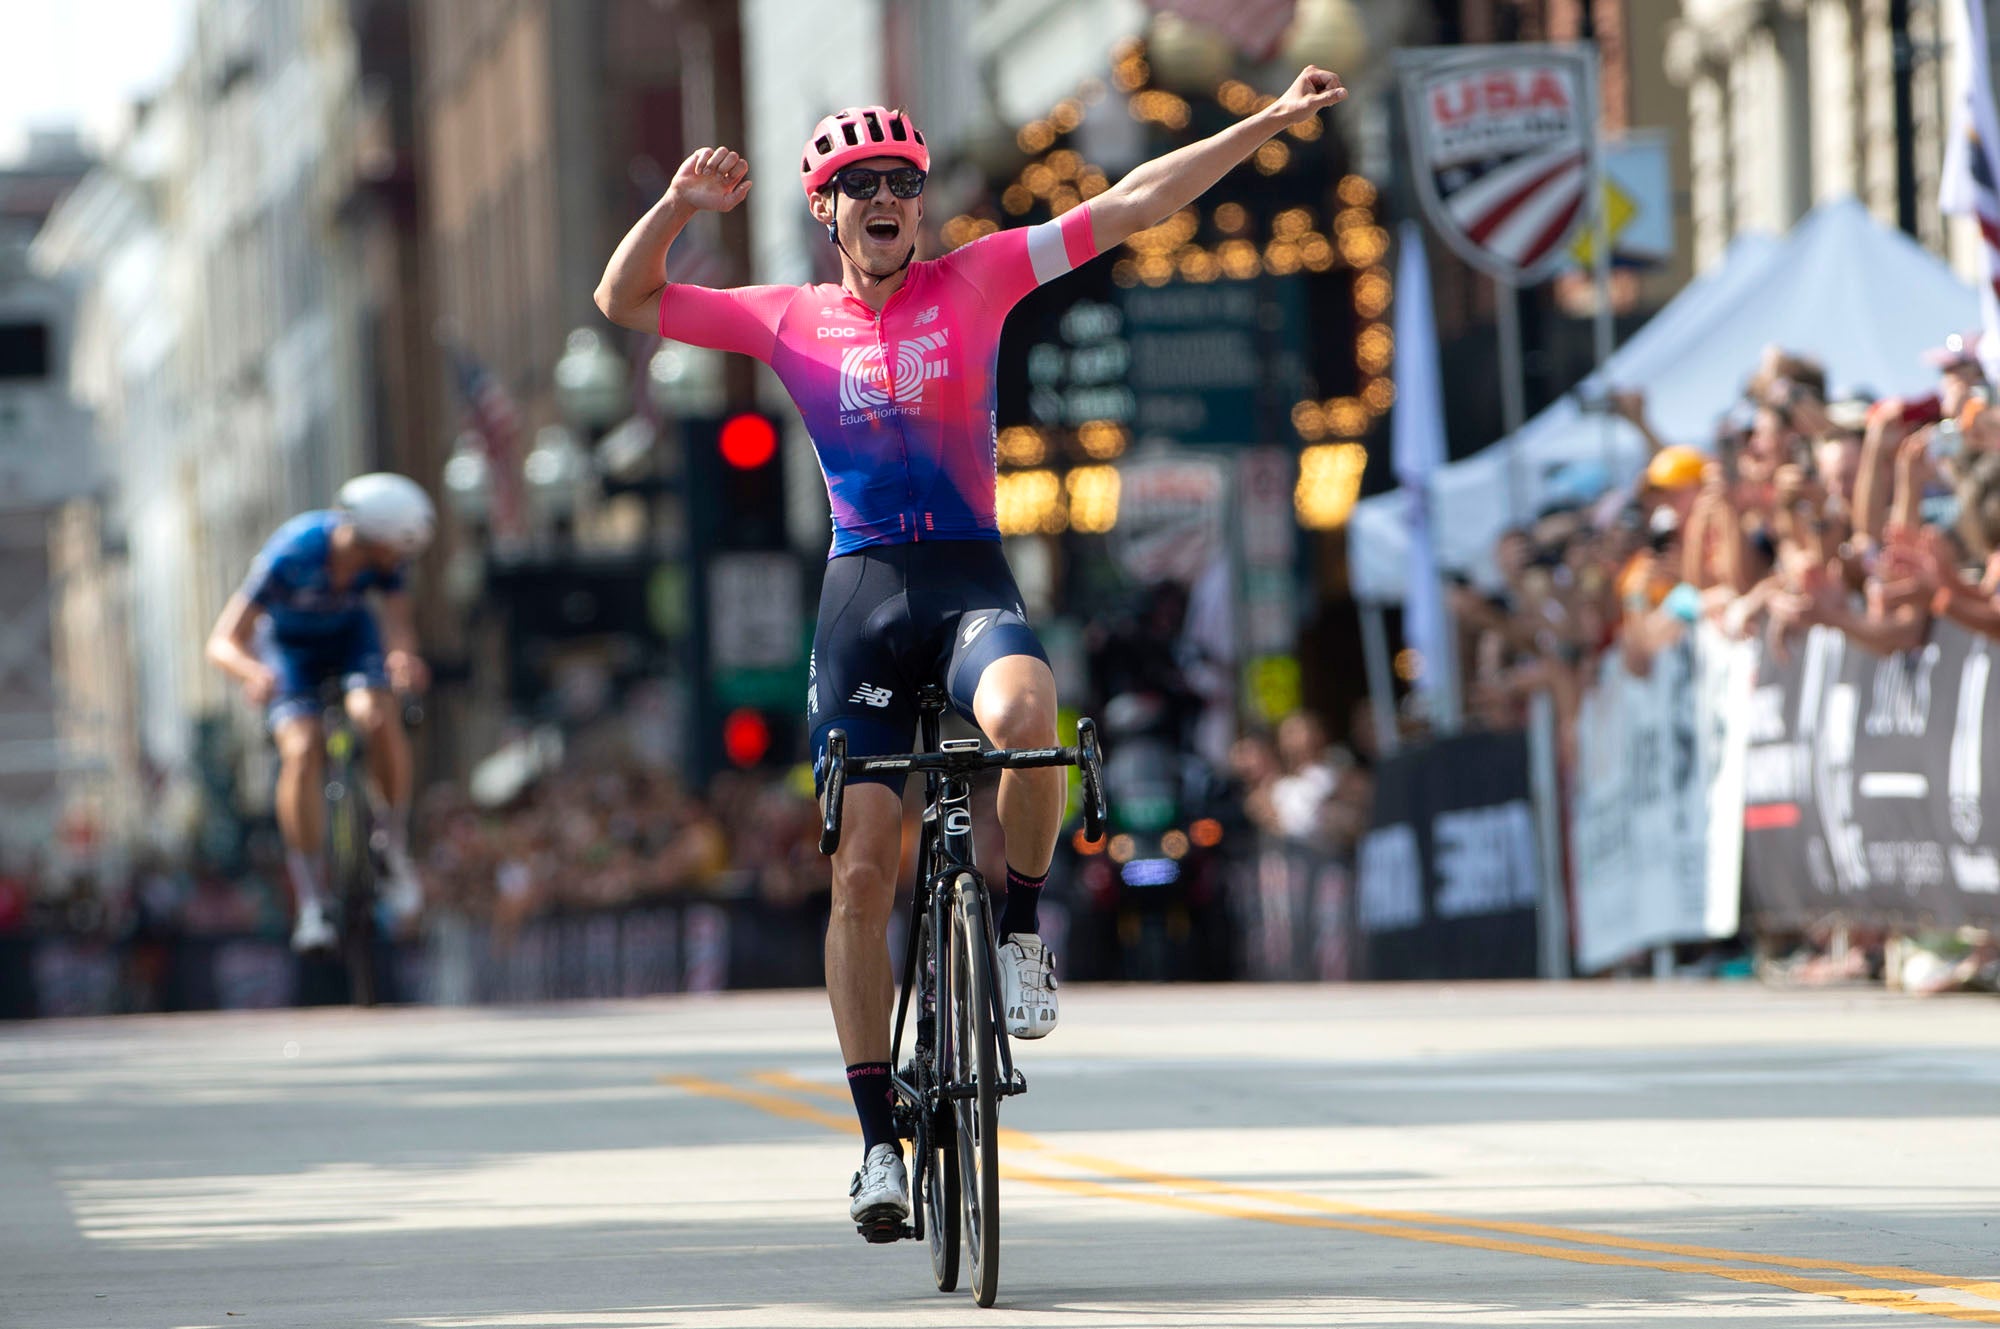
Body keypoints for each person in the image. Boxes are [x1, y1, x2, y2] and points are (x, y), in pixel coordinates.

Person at [593, 68, 1348, 1238]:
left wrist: (1266, 120)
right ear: (825, 210)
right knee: (860, 874)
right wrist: (681, 207)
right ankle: (874, 1147)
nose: (884, 199)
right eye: (859, 186)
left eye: (901, 182)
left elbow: (1137, 200)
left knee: (1028, 718)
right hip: (861, 598)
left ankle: (1018, 934)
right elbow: (622, 298)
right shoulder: (787, 316)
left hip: (966, 582)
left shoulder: (979, 277)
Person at [205, 474, 435, 952]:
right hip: (289, 652)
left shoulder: (383, 561)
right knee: (303, 749)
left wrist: (402, 658)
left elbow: (398, 624)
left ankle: (391, 846)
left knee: (377, 715)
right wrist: (252, 673)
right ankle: (312, 900)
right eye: (393, 550)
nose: (398, 561)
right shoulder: (292, 554)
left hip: (350, 638)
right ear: (371, 538)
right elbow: (223, 641)